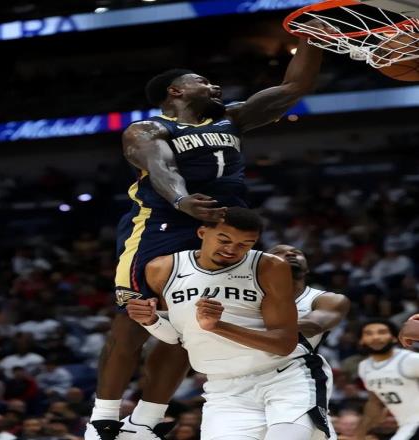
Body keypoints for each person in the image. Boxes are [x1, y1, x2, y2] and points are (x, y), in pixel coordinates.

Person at [85, 33, 325, 440]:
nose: (214, 86)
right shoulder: (147, 129)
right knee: (134, 319)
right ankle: (102, 417)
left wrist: (312, 35)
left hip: (219, 229)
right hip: (163, 224)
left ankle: (144, 422)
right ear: (175, 91)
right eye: (203, 81)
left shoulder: (232, 118)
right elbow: (161, 168)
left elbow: (294, 87)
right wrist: (182, 201)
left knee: (189, 329)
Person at [127, 207, 334, 440]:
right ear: (202, 232)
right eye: (224, 240)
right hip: (223, 387)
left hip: (285, 377)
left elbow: (284, 343)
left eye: (245, 244)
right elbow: (178, 337)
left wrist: (218, 327)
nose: (232, 250)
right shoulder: (162, 269)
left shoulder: (269, 267)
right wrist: (151, 321)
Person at [268, 244, 351, 440]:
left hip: (298, 374)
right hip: (250, 376)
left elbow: (314, 325)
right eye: (278, 253)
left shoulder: (326, 299)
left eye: (297, 253)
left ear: (307, 269)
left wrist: (244, 326)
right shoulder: (249, 298)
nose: (290, 254)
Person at [355, 319, 419, 440]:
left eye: (382, 332)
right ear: (361, 340)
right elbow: (375, 402)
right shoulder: (364, 367)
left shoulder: (411, 360)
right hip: (407, 426)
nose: (375, 337)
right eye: (369, 333)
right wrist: (359, 435)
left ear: (394, 337)